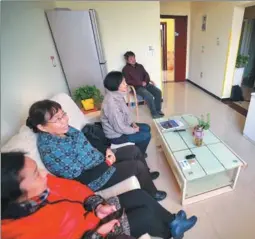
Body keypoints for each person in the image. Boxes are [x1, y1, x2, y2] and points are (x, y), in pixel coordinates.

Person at [1, 152, 198, 239]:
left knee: (139, 195)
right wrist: (98, 233)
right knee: (145, 215)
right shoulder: (22, 231)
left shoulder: (44, 186)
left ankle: (173, 222)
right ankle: (170, 233)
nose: (44, 174)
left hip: (91, 214)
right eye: (36, 174)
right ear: (14, 194)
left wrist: (96, 204)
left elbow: (74, 188)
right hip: (94, 232)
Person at [26, 100, 167, 201]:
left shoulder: (65, 130)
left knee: (134, 150)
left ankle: (146, 175)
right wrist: (107, 163)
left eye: (64, 114)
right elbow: (80, 179)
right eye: (57, 119)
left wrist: (106, 150)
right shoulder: (51, 151)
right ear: (42, 127)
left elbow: (87, 142)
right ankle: (152, 193)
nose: (64, 120)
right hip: (94, 178)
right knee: (136, 166)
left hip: (100, 159)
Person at [101, 71, 152, 155]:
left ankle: (136, 146)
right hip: (116, 136)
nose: (126, 84)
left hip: (123, 127)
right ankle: (139, 154)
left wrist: (132, 123)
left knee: (147, 127)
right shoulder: (111, 104)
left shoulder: (117, 95)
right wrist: (133, 130)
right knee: (146, 135)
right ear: (116, 85)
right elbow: (119, 128)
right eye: (123, 82)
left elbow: (125, 113)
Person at [122, 51, 164, 119]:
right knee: (149, 96)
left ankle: (158, 110)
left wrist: (145, 81)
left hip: (146, 84)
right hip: (137, 87)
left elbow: (146, 74)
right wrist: (140, 83)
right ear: (127, 60)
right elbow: (128, 81)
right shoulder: (125, 69)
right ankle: (154, 113)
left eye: (133, 58)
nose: (133, 60)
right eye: (130, 59)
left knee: (158, 92)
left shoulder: (140, 66)